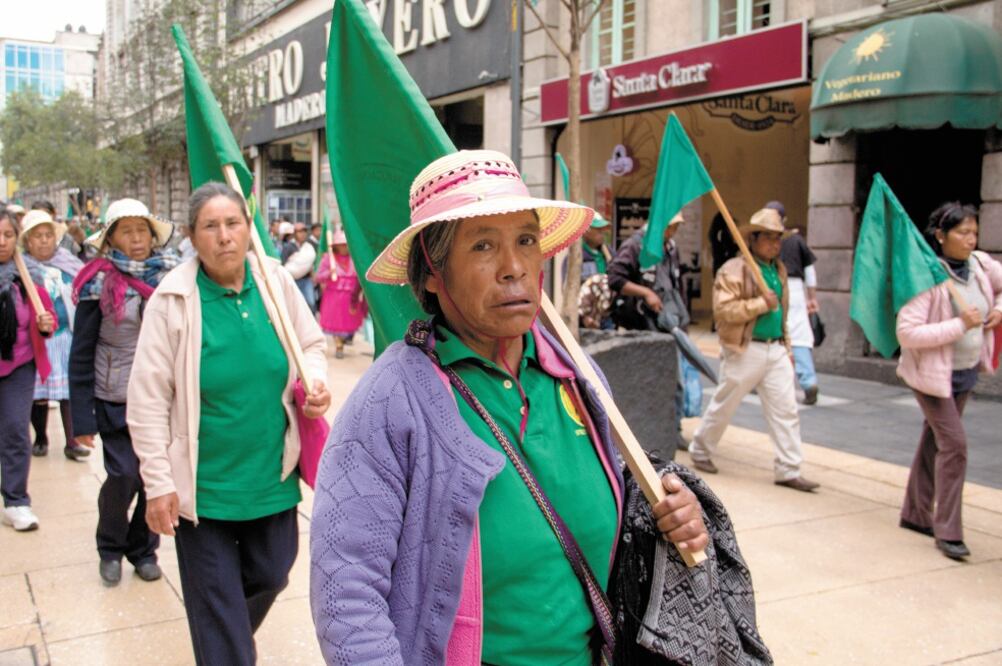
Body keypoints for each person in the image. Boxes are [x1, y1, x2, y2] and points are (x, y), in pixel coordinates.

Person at [309, 150, 707, 665]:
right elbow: (347, 590)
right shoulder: (392, 400)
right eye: (482, 246)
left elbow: (624, 502)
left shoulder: (577, 376)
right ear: (431, 272)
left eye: (525, 240)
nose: (514, 267)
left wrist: (674, 514)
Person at [127, 182, 330, 665]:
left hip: (270, 476)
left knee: (272, 574)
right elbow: (148, 399)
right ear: (193, 238)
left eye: (233, 223)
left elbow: (312, 346)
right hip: (204, 487)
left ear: (248, 229)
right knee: (218, 612)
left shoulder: (275, 282)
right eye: (210, 227)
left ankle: (224, 638)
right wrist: (157, 483)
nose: (224, 236)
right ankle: (225, 647)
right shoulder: (172, 300)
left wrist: (315, 382)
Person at [69, 198, 179, 585]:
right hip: (114, 396)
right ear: (111, 239)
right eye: (126, 231)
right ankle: (110, 547)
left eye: (142, 230)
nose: (137, 239)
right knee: (124, 475)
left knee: (156, 479)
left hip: (163, 399)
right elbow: (80, 354)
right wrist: (79, 419)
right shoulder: (97, 283)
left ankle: (143, 549)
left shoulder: (173, 279)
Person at [897, 202, 1002, 561]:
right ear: (941, 236)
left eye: (974, 232)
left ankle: (914, 512)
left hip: (966, 371)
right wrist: (960, 325)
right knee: (954, 446)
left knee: (934, 441)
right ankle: (948, 530)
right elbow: (907, 332)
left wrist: (997, 311)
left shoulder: (982, 266)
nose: (971, 240)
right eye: (962, 233)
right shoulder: (928, 277)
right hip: (930, 377)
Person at [689, 208, 820, 492]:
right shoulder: (734, 269)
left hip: (774, 349)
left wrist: (786, 345)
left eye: (778, 238)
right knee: (725, 403)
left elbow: (782, 313)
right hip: (745, 349)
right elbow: (724, 310)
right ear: (754, 239)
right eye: (769, 238)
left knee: (786, 410)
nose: (775, 244)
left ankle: (789, 467)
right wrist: (760, 304)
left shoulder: (779, 270)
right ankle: (700, 449)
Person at [607, 212, 689, 450]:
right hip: (642, 324)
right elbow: (615, 277)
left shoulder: (671, 248)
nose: (672, 233)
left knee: (675, 380)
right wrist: (646, 293)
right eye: (670, 227)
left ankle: (674, 429)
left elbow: (677, 284)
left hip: (669, 322)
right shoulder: (635, 246)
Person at [0, 206, 56, 532]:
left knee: (15, 430)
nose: (3, 242)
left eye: (8, 235)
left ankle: (16, 501)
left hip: (19, 366)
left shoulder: (28, 275)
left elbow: (46, 316)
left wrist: (46, 324)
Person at [18, 211, 90, 461]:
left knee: (68, 390)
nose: (44, 241)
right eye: (38, 236)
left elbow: (82, 293)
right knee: (39, 393)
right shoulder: (21, 269)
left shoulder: (68, 264)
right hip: (37, 340)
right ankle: (40, 436)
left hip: (66, 336)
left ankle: (72, 441)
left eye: (48, 235)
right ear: (28, 241)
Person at [768, 201, 821, 404]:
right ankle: (808, 381)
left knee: (773, 332)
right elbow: (810, 271)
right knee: (798, 336)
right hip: (797, 290)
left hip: (773, 287)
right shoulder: (797, 240)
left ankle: (767, 381)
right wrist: (812, 297)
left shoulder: (763, 240)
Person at [314, 229, 366, 359]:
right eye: (341, 244)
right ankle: (338, 346)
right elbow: (318, 277)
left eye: (346, 244)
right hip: (333, 296)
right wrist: (329, 273)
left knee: (347, 322)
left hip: (350, 297)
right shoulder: (328, 258)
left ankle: (342, 341)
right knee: (334, 321)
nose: (344, 247)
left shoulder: (355, 258)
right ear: (336, 246)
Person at [285, 221, 317, 310]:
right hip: (292, 281)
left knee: (310, 302)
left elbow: (309, 264)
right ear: (294, 233)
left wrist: (313, 275)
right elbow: (283, 264)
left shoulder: (310, 247)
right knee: (293, 305)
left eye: (304, 231)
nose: (302, 234)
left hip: (306, 280)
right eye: (299, 231)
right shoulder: (288, 247)